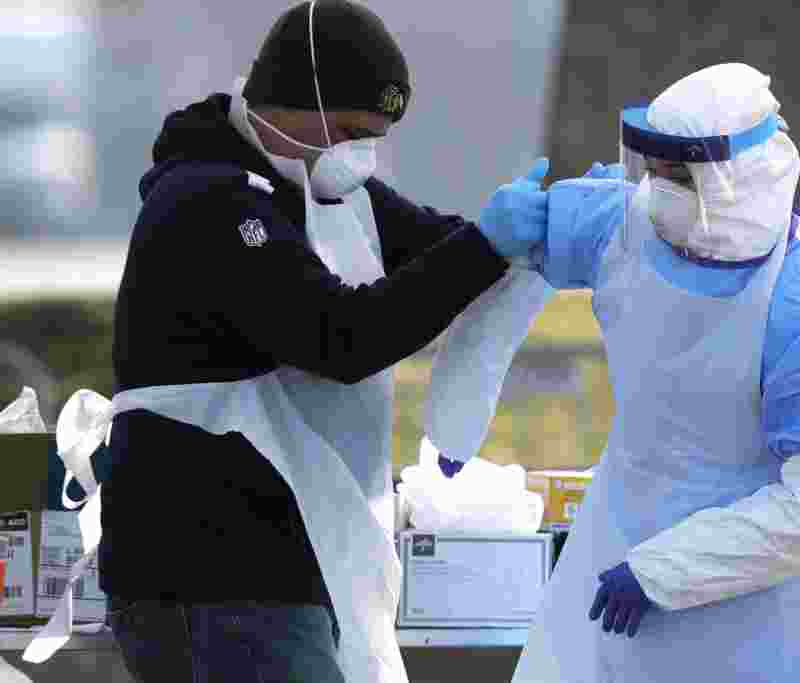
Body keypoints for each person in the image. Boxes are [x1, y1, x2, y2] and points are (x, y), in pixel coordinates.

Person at [90, 1, 548, 682]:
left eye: (378, 135)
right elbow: (341, 337)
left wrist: (548, 233)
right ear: (293, 101)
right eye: (352, 129)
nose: (362, 153)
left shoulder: (318, 183)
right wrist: (486, 245)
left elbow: (436, 247)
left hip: (289, 557)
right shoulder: (207, 203)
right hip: (205, 572)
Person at [509, 63, 800, 683]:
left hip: (768, 608)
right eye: (654, 171)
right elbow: (504, 256)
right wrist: (499, 232)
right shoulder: (628, 227)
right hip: (615, 572)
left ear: (741, 178)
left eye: (680, 176)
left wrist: (667, 570)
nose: (657, 190)